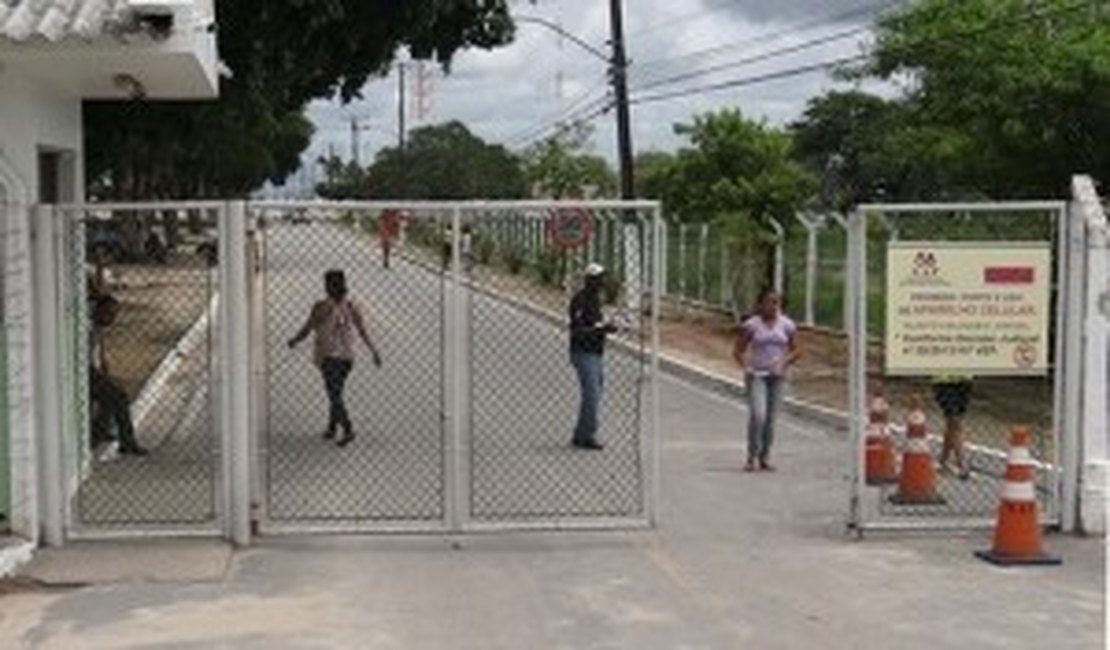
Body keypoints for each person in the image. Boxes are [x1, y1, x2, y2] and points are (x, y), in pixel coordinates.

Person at [288, 270, 382, 447]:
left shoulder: (321, 306)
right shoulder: (352, 306)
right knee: (336, 391)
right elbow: (362, 331)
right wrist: (373, 351)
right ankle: (331, 428)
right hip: (347, 358)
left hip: (329, 357)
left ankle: (347, 428)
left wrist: (294, 341)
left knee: (334, 393)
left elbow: (307, 329)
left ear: (328, 286)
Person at [732, 290, 799, 471]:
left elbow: (796, 350)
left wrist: (783, 362)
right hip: (757, 376)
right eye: (768, 303)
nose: (772, 307)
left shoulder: (787, 325)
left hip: (777, 377)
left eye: (776, 303)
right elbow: (738, 350)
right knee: (758, 415)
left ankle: (765, 456)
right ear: (760, 304)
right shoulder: (751, 325)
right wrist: (746, 365)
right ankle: (751, 455)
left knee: (771, 419)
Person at [89, 294, 148, 456]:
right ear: (97, 310)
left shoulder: (98, 328)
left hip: (95, 373)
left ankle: (99, 431)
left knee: (111, 394)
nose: (112, 318)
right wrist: (105, 377)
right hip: (87, 374)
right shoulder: (88, 329)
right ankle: (127, 442)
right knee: (119, 396)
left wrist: (107, 372)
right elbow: (87, 361)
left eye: (114, 314)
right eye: (108, 313)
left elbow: (99, 355)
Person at [568, 263, 618, 450]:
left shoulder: (596, 300)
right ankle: (586, 435)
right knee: (592, 394)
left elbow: (595, 324)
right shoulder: (580, 301)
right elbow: (578, 330)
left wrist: (606, 328)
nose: (602, 283)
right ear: (590, 280)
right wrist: (599, 330)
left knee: (595, 394)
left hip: (595, 352)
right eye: (599, 279)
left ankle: (582, 433)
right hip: (582, 352)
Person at [933, 374, 973, 479]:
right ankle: (961, 463)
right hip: (945, 382)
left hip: (964, 381)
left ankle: (943, 459)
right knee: (955, 422)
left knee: (952, 423)